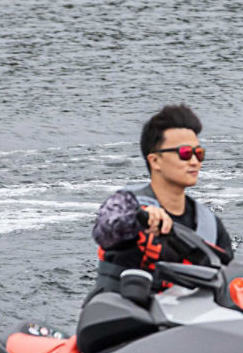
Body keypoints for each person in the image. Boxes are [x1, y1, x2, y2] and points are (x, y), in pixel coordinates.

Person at [90, 104, 234, 296]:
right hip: (122, 317)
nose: (194, 162)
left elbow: (228, 278)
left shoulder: (211, 226)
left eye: (199, 153)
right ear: (155, 161)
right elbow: (105, 227)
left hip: (180, 321)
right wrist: (139, 215)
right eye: (184, 153)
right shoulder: (125, 204)